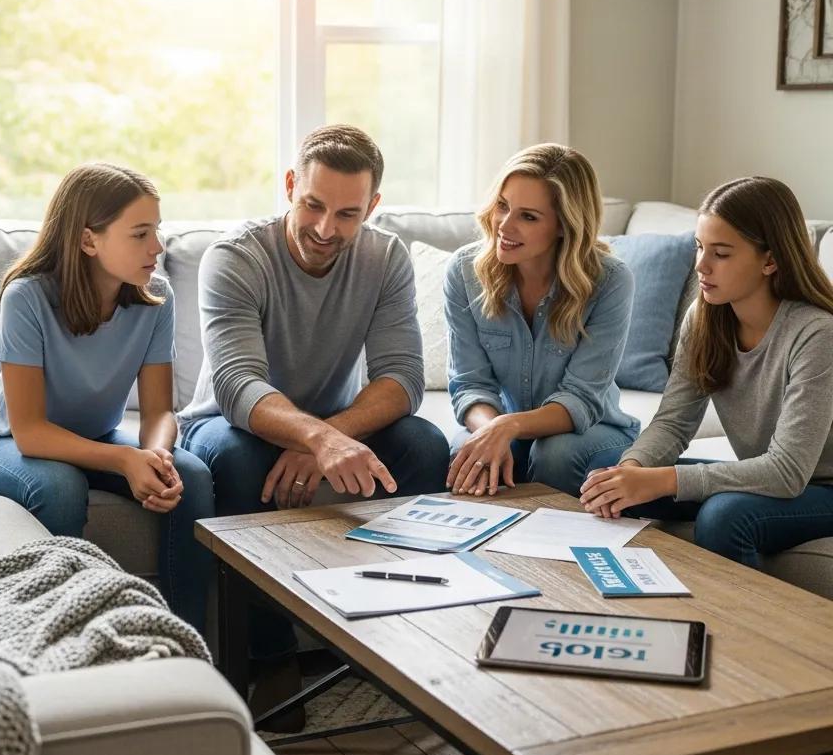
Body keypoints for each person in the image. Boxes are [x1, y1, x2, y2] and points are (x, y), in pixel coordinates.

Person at [178, 124, 450, 722]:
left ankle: (396, 632)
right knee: (240, 459)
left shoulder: (386, 257)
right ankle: (271, 656)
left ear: (372, 207)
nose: (326, 229)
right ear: (289, 186)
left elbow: (403, 378)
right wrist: (318, 437)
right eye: (313, 205)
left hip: (334, 423)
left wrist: (328, 435)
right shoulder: (236, 257)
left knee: (426, 445)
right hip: (230, 424)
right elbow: (237, 385)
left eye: (348, 214)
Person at [0, 162, 215, 632]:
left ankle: (184, 638)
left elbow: (160, 412)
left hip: (96, 436)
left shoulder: (154, 298)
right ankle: (66, 639)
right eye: (140, 234)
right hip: (8, 442)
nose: (157, 246)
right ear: (88, 240)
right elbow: (30, 432)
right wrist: (124, 460)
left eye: (156, 230)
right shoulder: (27, 297)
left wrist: (156, 456)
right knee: (60, 487)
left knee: (192, 477)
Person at [580, 176, 833, 568]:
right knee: (606, 475)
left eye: (721, 253)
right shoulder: (704, 318)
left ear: (770, 261)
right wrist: (631, 471)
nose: (701, 265)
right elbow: (673, 424)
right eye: (700, 247)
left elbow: (787, 471)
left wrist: (664, 480)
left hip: (818, 487)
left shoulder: (817, 334)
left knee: (724, 516)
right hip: (763, 477)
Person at [443, 142, 639, 501]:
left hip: (593, 432)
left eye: (528, 217)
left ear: (564, 225)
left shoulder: (611, 281)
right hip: (506, 424)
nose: (504, 225)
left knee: (554, 453)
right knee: (466, 453)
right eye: (503, 206)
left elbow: (581, 399)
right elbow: (470, 384)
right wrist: (492, 432)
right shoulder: (464, 271)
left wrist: (507, 426)